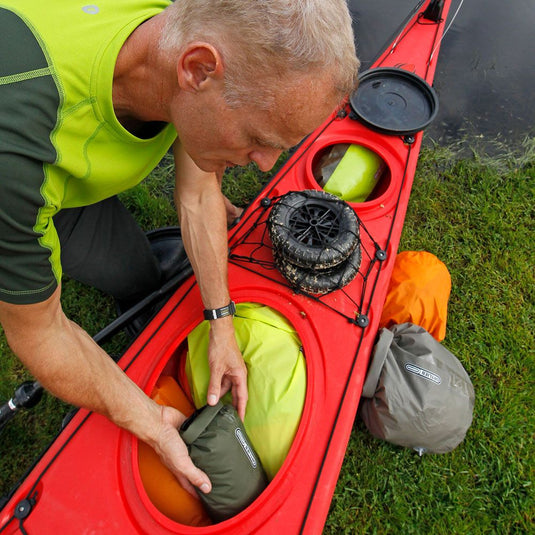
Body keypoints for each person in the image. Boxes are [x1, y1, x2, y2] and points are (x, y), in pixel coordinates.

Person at [0, 0, 359, 495]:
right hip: (19, 176)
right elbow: (41, 336)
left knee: (137, 278)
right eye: (257, 138)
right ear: (196, 70)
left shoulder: (183, 32)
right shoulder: (16, 156)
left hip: (53, 174)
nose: (265, 164)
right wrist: (149, 420)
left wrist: (222, 322)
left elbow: (196, 192)